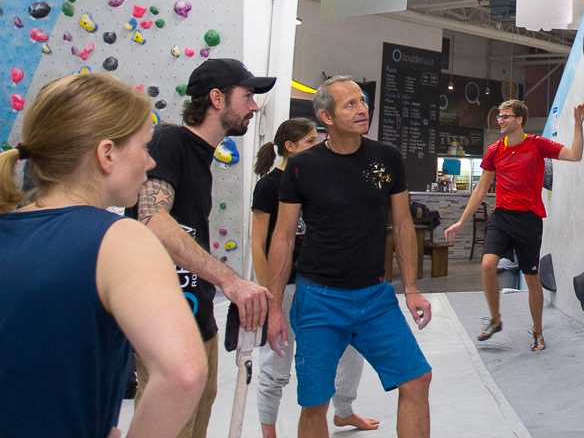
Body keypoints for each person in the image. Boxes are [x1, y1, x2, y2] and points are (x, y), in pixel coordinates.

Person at [0, 73, 207, 438]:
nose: (150, 163)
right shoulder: (120, 240)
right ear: (106, 153)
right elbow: (184, 372)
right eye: (144, 148)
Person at [265, 77, 434, 438]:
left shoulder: (387, 158)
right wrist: (275, 307)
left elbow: (403, 224)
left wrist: (413, 289)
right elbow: (281, 237)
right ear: (325, 116)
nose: (362, 109)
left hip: (376, 298)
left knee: (417, 379)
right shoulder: (302, 166)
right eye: (350, 105)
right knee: (315, 403)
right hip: (318, 301)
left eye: (363, 101)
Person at [134, 58, 275, 438]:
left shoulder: (201, 155)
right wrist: (230, 280)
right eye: (247, 96)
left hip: (197, 314)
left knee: (198, 416)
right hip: (164, 318)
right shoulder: (170, 141)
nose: (254, 106)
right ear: (216, 98)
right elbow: (151, 218)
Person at [251, 119, 380, 436]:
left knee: (351, 352)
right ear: (290, 147)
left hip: (329, 284)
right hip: (288, 286)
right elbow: (258, 243)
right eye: (310, 141)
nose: (318, 145)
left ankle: (344, 411)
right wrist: (272, 296)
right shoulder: (269, 186)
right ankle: (269, 431)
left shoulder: (318, 181)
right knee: (278, 361)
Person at [446, 99, 584, 353]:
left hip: (528, 220)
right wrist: (461, 221)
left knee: (532, 279)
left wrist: (578, 123)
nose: (500, 120)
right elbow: (480, 190)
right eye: (499, 117)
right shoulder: (493, 151)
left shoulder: (536, 145)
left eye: (505, 117)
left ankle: (537, 331)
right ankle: (495, 318)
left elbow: (575, 155)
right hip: (502, 217)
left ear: (519, 119)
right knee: (488, 265)